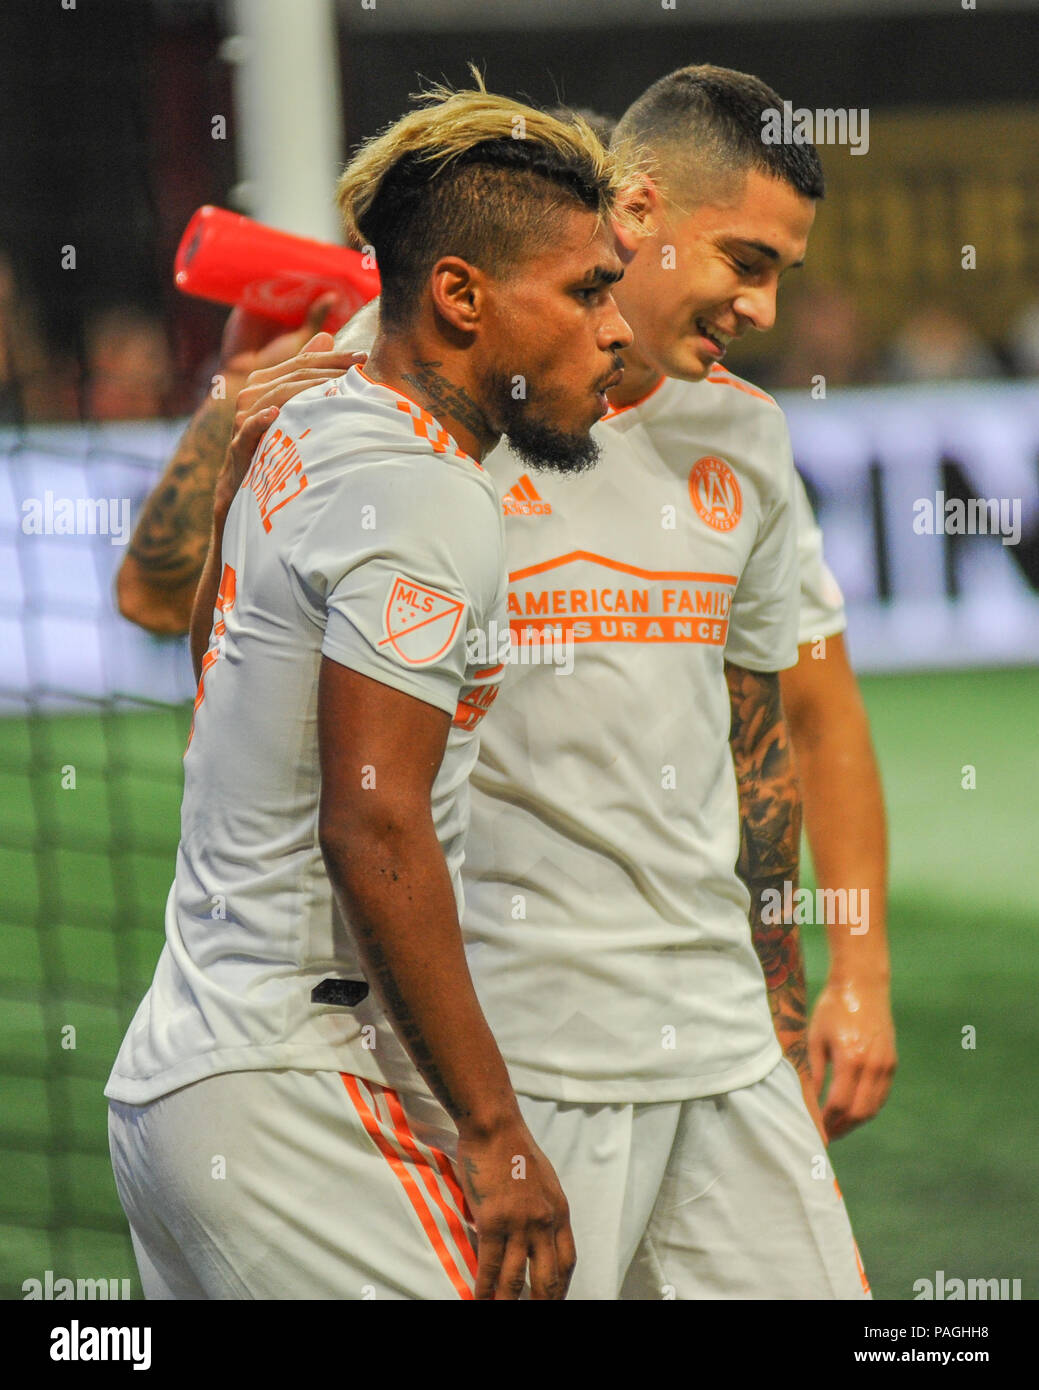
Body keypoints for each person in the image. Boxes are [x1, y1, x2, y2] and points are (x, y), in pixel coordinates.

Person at [122, 64, 896, 1298]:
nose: (758, 305)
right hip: (498, 1047)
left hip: (711, 1045)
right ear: (636, 215)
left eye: (778, 277)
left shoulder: (740, 432)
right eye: (743, 260)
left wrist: (818, 990)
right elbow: (172, 605)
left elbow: (784, 729)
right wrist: (225, 412)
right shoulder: (397, 410)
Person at [105, 78, 639, 1301]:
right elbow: (374, 819)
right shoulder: (424, 491)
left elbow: (214, 668)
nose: (616, 330)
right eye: (586, 291)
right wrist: (497, 1132)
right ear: (457, 294)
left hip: (180, 1076)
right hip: (297, 1090)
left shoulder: (309, 427)